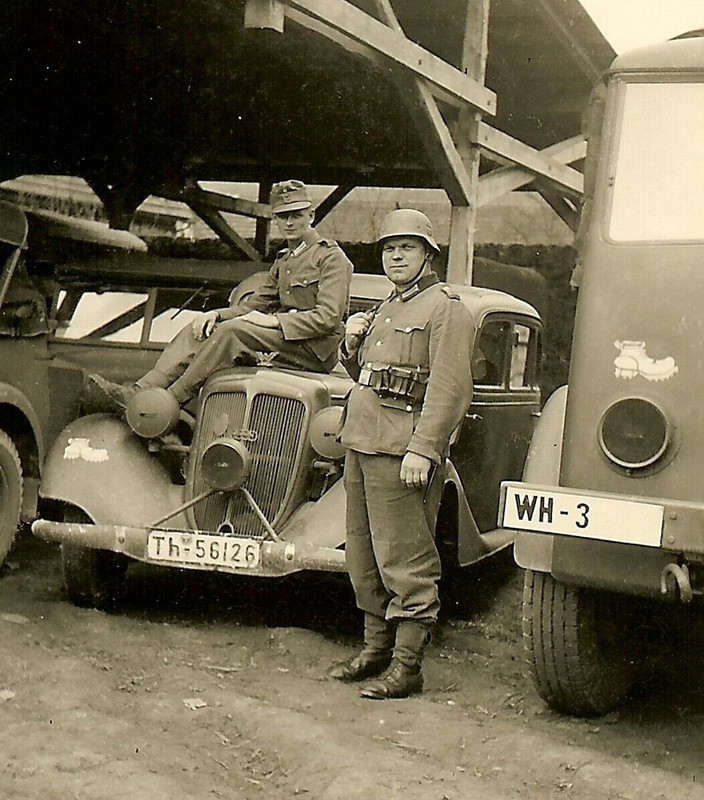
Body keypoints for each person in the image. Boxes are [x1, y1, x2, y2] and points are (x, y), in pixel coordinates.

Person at [329, 209, 474, 699]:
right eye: (389, 248)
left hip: (401, 450)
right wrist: (350, 345)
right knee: (364, 552)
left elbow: (450, 388)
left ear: (428, 255)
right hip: (361, 442)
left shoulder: (444, 307)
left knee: (405, 557)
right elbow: (367, 379)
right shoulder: (387, 306)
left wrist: (424, 449)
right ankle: (374, 650)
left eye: (407, 248)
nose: (396, 256)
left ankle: (407, 665)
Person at [89, 180, 353, 410]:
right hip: (287, 342)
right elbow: (256, 303)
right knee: (201, 329)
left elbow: (328, 318)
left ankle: (168, 402)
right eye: (282, 216)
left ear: (311, 215)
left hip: (314, 350)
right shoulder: (285, 260)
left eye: (296, 214)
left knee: (232, 332)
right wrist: (215, 314)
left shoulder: (331, 258)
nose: (289, 222)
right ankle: (139, 392)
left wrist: (274, 322)